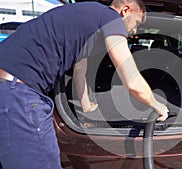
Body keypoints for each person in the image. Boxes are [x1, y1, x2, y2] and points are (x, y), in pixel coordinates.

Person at [0, 0, 169, 168]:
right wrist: (157, 105)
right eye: (137, 22)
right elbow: (131, 80)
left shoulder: (88, 15)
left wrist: (85, 104)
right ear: (125, 10)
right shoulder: (111, 17)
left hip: (8, 89)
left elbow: (80, 66)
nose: (135, 30)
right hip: (16, 93)